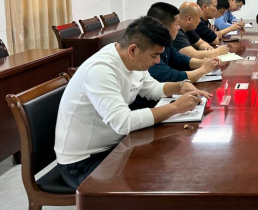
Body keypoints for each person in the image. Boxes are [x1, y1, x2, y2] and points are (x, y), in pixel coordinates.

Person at [54, 16, 211, 189]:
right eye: (154, 55)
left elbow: (152, 88)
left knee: (170, 164)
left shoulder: (131, 60)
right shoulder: (100, 70)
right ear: (133, 50)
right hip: (84, 161)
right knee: (152, 181)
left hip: (116, 145)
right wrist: (175, 107)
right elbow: (123, 123)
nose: (157, 61)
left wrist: (180, 86)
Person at [146, 2, 221, 83]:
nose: (179, 27)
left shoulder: (166, 43)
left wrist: (205, 63)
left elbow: (182, 60)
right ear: (163, 28)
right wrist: (204, 69)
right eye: (176, 24)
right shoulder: (148, 48)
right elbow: (170, 76)